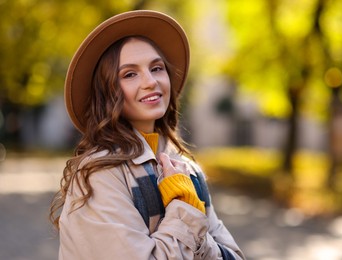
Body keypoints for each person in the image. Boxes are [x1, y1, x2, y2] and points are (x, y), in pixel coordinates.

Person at [50, 10, 245, 260]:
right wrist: (185, 211)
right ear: (107, 92)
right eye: (130, 74)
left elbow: (234, 256)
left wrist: (196, 233)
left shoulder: (185, 169)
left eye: (157, 68)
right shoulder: (99, 174)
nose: (151, 81)